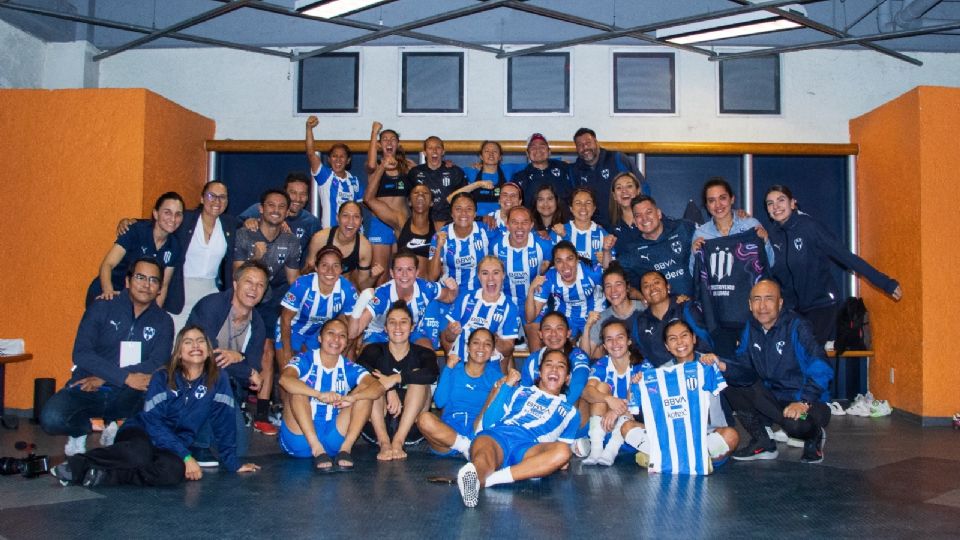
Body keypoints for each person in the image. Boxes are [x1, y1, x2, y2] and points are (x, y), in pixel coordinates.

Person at [50, 326, 260, 487]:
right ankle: (77, 465)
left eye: (200, 341)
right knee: (139, 453)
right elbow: (154, 423)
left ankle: (103, 477)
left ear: (208, 350)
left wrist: (233, 463)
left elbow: (223, 421)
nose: (195, 346)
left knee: (172, 471)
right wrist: (187, 456)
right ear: (178, 353)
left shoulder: (218, 378)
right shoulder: (162, 377)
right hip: (142, 431)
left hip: (174, 444)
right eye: (188, 342)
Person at [42, 258, 175, 457]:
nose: (147, 285)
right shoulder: (102, 307)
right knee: (51, 418)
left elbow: (157, 361)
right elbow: (81, 353)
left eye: (153, 280)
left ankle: (118, 424)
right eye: (140, 277)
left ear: (159, 289)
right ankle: (80, 430)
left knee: (156, 393)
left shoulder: (164, 321)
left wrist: (111, 377)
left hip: (130, 391)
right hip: (89, 385)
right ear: (127, 281)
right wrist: (123, 377)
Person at [764, 184, 902, 345]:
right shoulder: (772, 235)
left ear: (793, 203)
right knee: (791, 357)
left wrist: (885, 283)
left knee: (808, 356)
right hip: (793, 309)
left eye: (781, 200)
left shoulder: (809, 227)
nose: (776, 206)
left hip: (821, 305)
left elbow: (846, 257)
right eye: (770, 203)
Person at [722, 279, 833, 464]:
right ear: (750, 304)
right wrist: (724, 366)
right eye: (757, 299)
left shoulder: (797, 326)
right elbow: (743, 367)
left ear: (780, 303)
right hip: (772, 400)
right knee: (730, 382)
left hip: (806, 401)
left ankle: (815, 435)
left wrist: (804, 401)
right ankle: (763, 441)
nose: (762, 306)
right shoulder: (751, 327)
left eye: (769, 299)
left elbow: (821, 365)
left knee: (795, 425)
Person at [456, 350, 580, 508]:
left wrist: (559, 461)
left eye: (560, 366)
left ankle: (491, 479)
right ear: (540, 372)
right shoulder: (519, 391)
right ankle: (475, 479)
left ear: (567, 377)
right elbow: (489, 422)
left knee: (563, 452)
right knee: (483, 461)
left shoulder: (571, 412)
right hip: (498, 436)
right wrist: (507, 386)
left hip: (529, 448)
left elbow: (562, 455)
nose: (554, 369)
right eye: (548, 364)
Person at [185, 260, 269, 461]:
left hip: (229, 391)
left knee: (238, 449)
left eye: (260, 285)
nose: (254, 289)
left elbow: (254, 367)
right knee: (213, 374)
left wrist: (238, 359)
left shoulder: (257, 324)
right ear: (235, 283)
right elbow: (204, 356)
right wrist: (244, 367)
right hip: (193, 380)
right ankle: (197, 444)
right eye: (249, 282)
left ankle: (203, 433)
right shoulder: (212, 306)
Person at [233, 189, 301, 436]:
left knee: (268, 351)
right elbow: (238, 276)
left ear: (286, 212)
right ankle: (238, 403)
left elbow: (295, 282)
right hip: (243, 300)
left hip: (272, 301)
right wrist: (257, 256)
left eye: (281, 206)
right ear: (260, 209)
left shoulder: (291, 241)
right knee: (238, 350)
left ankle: (262, 414)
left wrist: (296, 311)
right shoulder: (245, 234)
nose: (275, 209)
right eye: (270, 205)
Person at [278, 319, 385, 472]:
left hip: (333, 437)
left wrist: (352, 398)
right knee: (297, 391)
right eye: (331, 333)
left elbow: (378, 387)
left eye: (342, 336)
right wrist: (318, 394)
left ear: (346, 342)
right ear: (320, 338)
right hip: (300, 436)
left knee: (365, 394)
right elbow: (284, 379)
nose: (336, 339)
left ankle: (346, 449)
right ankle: (316, 447)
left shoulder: (349, 367)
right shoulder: (305, 359)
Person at [635, 319, 739, 474]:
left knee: (731, 436)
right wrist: (637, 384)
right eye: (673, 339)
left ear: (694, 338)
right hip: (675, 436)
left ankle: (667, 459)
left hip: (707, 434)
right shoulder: (661, 373)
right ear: (667, 347)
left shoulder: (709, 362)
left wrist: (721, 365)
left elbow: (745, 376)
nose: (679, 342)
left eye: (684, 336)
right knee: (627, 427)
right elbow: (647, 410)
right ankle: (698, 460)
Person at [691, 178, 772, 358]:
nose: (718, 205)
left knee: (755, 361)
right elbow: (695, 275)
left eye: (723, 198)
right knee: (726, 364)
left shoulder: (750, 225)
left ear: (732, 199)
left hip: (749, 310)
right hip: (719, 312)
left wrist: (764, 242)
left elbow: (769, 265)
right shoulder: (701, 233)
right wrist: (694, 253)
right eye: (711, 200)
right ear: (706, 205)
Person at [358, 302, 438, 461]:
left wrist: (395, 379)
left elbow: (431, 374)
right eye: (392, 322)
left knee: (419, 378)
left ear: (412, 326)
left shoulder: (423, 353)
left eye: (403, 322)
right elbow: (359, 370)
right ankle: (385, 443)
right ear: (385, 328)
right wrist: (388, 388)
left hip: (412, 429)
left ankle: (398, 442)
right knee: (369, 382)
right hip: (376, 426)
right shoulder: (374, 350)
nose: (398, 327)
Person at [86, 192, 184, 308]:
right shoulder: (136, 231)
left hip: (136, 302)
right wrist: (108, 293)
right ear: (155, 214)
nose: (173, 219)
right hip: (109, 291)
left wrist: (154, 313)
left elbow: (163, 286)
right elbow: (107, 264)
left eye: (178, 214)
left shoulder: (175, 246)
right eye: (167, 212)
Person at [417, 328, 503, 459]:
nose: (481, 347)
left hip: (478, 434)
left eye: (487, 344)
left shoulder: (497, 377)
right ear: (468, 347)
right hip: (447, 437)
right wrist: (448, 369)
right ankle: (465, 447)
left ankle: (469, 446)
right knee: (424, 419)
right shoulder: (454, 369)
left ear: (492, 351)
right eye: (476, 343)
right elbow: (440, 402)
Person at [354, 249, 459, 344]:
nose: (404, 274)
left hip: (411, 332)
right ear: (392, 273)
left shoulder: (426, 288)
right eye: (399, 269)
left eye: (409, 269)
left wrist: (454, 289)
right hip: (380, 333)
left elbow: (449, 297)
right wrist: (360, 305)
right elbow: (355, 330)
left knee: (427, 352)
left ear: (417, 272)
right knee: (369, 355)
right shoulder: (382, 294)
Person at [276, 246, 357, 368]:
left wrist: (342, 355)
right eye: (324, 265)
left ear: (341, 269)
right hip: (292, 328)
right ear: (316, 267)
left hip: (317, 333)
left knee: (317, 372)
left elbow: (354, 326)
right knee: (287, 373)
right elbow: (286, 319)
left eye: (335, 266)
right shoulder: (302, 285)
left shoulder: (347, 290)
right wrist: (287, 353)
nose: (330, 271)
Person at [580, 319, 644, 466]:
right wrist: (608, 399)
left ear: (629, 341)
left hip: (630, 431)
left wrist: (616, 411)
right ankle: (596, 449)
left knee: (635, 387)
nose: (615, 343)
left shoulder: (642, 364)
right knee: (600, 388)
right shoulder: (602, 363)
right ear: (604, 345)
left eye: (620, 337)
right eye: (609, 339)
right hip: (604, 428)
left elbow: (638, 402)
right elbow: (586, 392)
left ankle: (611, 451)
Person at [443, 256, 522, 373]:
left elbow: (508, 350)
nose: (491, 278)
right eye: (485, 273)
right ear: (479, 276)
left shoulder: (510, 307)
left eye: (496, 273)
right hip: (460, 365)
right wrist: (451, 331)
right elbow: (447, 338)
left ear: (503, 275)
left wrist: (494, 339)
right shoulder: (465, 297)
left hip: (489, 369)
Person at [491, 206, 553, 350]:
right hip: (505, 301)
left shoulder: (544, 244)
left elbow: (552, 270)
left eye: (524, 222)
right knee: (502, 351)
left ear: (531, 225)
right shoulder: (495, 245)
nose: (519, 227)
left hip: (533, 302)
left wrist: (544, 272)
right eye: (514, 222)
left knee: (538, 351)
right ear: (507, 224)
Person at [365, 121, 416, 286]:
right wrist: (374, 132)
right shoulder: (374, 166)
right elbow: (372, 164)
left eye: (392, 139)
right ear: (379, 145)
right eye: (384, 139)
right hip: (381, 223)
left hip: (402, 223)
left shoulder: (407, 165)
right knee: (381, 274)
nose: (389, 142)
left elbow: (426, 176)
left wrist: (447, 164)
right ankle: (380, 311)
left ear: (397, 144)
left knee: (402, 272)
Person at [365, 152, 434, 270]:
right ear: (409, 202)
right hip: (404, 283)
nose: (420, 196)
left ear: (432, 202)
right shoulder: (401, 221)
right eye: (416, 193)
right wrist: (382, 167)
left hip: (427, 285)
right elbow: (368, 199)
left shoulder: (438, 227)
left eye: (425, 193)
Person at [570, 127, 648, 229]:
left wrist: (640, 215)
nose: (585, 147)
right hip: (597, 228)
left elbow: (643, 187)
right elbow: (575, 202)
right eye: (580, 145)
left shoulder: (617, 158)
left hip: (626, 223)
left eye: (588, 143)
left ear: (596, 142)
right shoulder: (575, 170)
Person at [632, 270, 712, 368]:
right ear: (642, 293)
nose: (652, 288)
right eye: (646, 286)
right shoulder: (640, 322)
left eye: (656, 282)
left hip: (696, 370)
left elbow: (706, 343)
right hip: (663, 379)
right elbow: (641, 356)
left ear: (668, 286)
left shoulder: (685, 308)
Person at [527, 241, 604, 339]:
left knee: (592, 348)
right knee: (558, 343)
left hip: (593, 315)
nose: (565, 266)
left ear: (577, 259)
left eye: (569, 259)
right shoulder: (549, 278)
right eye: (559, 261)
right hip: (566, 318)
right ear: (554, 264)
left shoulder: (592, 272)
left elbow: (614, 289)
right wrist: (530, 290)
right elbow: (530, 318)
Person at [239, 173, 320, 266]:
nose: (298, 198)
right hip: (257, 272)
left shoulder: (312, 222)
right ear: (285, 192)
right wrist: (247, 222)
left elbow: (316, 255)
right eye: (293, 193)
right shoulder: (262, 209)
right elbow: (232, 229)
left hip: (289, 276)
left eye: (303, 194)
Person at [626, 195, 697, 297]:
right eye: (638, 216)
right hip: (664, 310)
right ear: (635, 222)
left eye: (649, 212)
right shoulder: (632, 250)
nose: (644, 218)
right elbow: (619, 281)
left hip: (697, 304)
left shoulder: (683, 228)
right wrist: (640, 297)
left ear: (659, 214)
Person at [303, 202, 383, 290]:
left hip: (343, 289)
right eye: (345, 215)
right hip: (319, 285)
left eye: (356, 217)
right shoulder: (320, 239)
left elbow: (362, 287)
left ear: (361, 221)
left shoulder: (364, 247)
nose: (350, 221)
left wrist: (373, 277)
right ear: (338, 218)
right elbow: (306, 274)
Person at [518, 311, 591, 404]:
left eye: (559, 328)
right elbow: (524, 390)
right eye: (548, 329)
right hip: (536, 408)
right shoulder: (532, 359)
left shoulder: (578, 356)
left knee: (583, 394)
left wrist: (554, 410)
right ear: (540, 334)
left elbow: (578, 384)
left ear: (568, 333)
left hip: (565, 408)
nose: (553, 334)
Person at [306, 116, 363, 229]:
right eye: (334, 156)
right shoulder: (325, 176)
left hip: (352, 234)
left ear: (348, 160)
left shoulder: (354, 181)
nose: (338, 160)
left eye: (342, 157)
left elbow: (360, 209)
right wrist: (309, 129)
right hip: (330, 233)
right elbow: (311, 154)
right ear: (329, 159)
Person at [580, 263, 645, 359]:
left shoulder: (644, 308)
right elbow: (584, 358)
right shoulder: (601, 319)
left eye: (618, 284)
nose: (613, 291)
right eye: (608, 286)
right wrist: (587, 327)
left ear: (627, 287)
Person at [427, 193, 492, 285]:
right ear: (451, 213)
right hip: (451, 293)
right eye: (458, 209)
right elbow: (432, 277)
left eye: (469, 209)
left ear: (475, 214)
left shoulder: (486, 230)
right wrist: (439, 247)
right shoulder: (441, 235)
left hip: (479, 293)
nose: (463, 213)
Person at [408, 136, 466, 229]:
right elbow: (408, 200)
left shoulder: (455, 171)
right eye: (430, 148)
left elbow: (464, 197)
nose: (434, 151)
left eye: (438, 147)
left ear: (443, 152)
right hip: (422, 223)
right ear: (424, 153)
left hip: (449, 222)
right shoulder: (414, 172)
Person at [511, 133, 573, 211]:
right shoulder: (519, 178)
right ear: (527, 153)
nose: (538, 150)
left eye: (542, 146)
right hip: (533, 222)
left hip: (564, 221)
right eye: (533, 147)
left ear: (549, 151)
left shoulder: (565, 169)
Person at [461, 141, 522, 216]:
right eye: (487, 151)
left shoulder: (507, 169)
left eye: (495, 151)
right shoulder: (471, 172)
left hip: (502, 221)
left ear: (500, 157)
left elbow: (532, 164)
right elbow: (452, 171)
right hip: (478, 220)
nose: (491, 154)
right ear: (481, 156)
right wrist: (447, 163)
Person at [554, 187, 610, 266]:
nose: (583, 207)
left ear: (594, 208)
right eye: (578, 203)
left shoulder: (603, 234)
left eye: (588, 203)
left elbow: (611, 268)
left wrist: (605, 262)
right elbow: (548, 264)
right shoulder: (558, 231)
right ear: (571, 208)